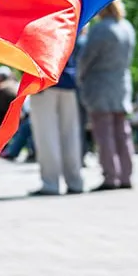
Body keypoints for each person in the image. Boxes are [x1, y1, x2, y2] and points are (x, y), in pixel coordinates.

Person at [78, 0, 137, 191]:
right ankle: (126, 175)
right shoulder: (126, 27)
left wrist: (80, 77)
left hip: (100, 85)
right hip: (121, 83)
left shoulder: (101, 29)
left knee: (104, 133)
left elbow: (86, 58)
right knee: (122, 132)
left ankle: (111, 176)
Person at [28, 44, 84, 195]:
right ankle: (75, 180)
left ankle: (51, 183)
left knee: (46, 135)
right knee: (70, 134)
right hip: (68, 77)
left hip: (42, 76)